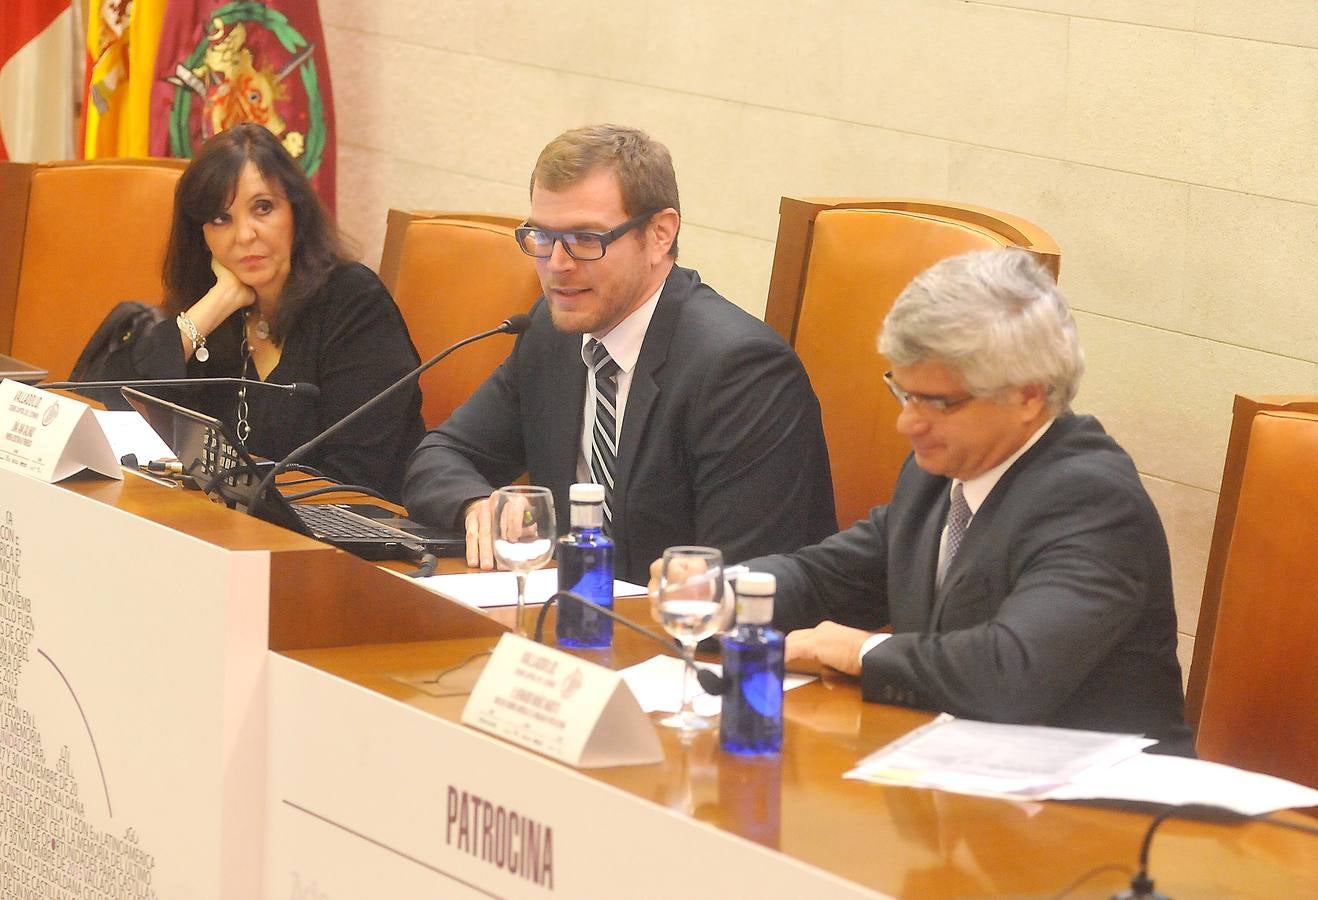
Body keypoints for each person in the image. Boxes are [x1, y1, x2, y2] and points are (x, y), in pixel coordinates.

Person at [666, 249, 1193, 754]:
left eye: (939, 403)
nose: (908, 423)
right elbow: (833, 577)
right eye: (905, 393)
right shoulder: (940, 473)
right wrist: (724, 594)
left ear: (1029, 396)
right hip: (954, 786)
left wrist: (859, 652)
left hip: (1100, 815)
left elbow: (1010, 671)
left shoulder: (1091, 500)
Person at [403, 124, 836, 584]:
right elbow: (440, 455)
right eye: (542, 236)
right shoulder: (553, 333)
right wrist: (477, 504)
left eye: (587, 238)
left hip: (683, 639)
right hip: (570, 620)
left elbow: (745, 578)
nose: (558, 264)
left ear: (659, 235)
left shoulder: (740, 370)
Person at [130, 123, 424, 500]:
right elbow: (125, 406)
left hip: (345, 538)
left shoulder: (353, 303)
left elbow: (357, 476)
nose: (245, 236)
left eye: (263, 208)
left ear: (296, 212)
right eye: (221, 219)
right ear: (199, 234)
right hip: (232, 534)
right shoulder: (219, 312)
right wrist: (218, 302)